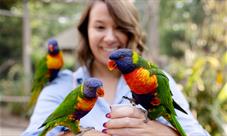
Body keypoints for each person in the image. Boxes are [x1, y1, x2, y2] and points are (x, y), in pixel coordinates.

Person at [22, 0, 210, 136]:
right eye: (100, 27)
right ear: (85, 32)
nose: (110, 38)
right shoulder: (61, 85)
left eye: (119, 27)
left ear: (131, 32)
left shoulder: (156, 80)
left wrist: (161, 132)